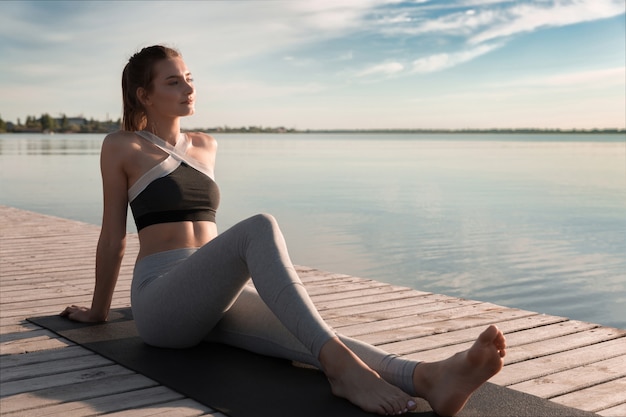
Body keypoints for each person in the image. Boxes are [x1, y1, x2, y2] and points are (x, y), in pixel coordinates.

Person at [61, 45, 506, 416]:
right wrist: (100, 312)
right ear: (144, 94)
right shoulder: (122, 146)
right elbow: (113, 236)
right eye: (173, 81)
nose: (189, 87)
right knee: (259, 227)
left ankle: (428, 376)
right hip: (160, 300)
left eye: (190, 77)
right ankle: (343, 373)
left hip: (211, 293)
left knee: (301, 331)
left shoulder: (206, 145)